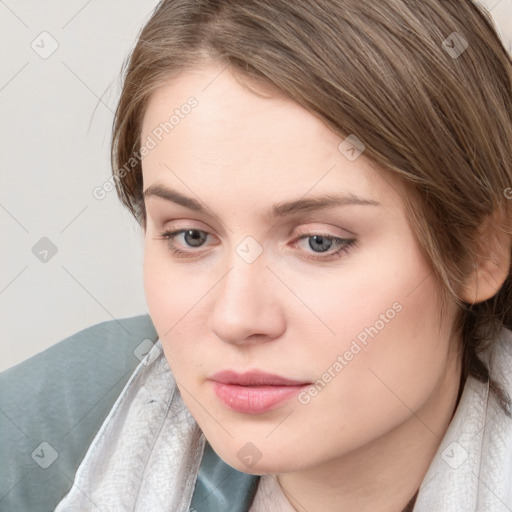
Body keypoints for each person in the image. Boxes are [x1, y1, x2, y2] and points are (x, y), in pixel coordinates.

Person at [1, 0, 511, 510]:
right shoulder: (38, 438)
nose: (236, 318)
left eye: (319, 242)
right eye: (191, 236)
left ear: (480, 251)